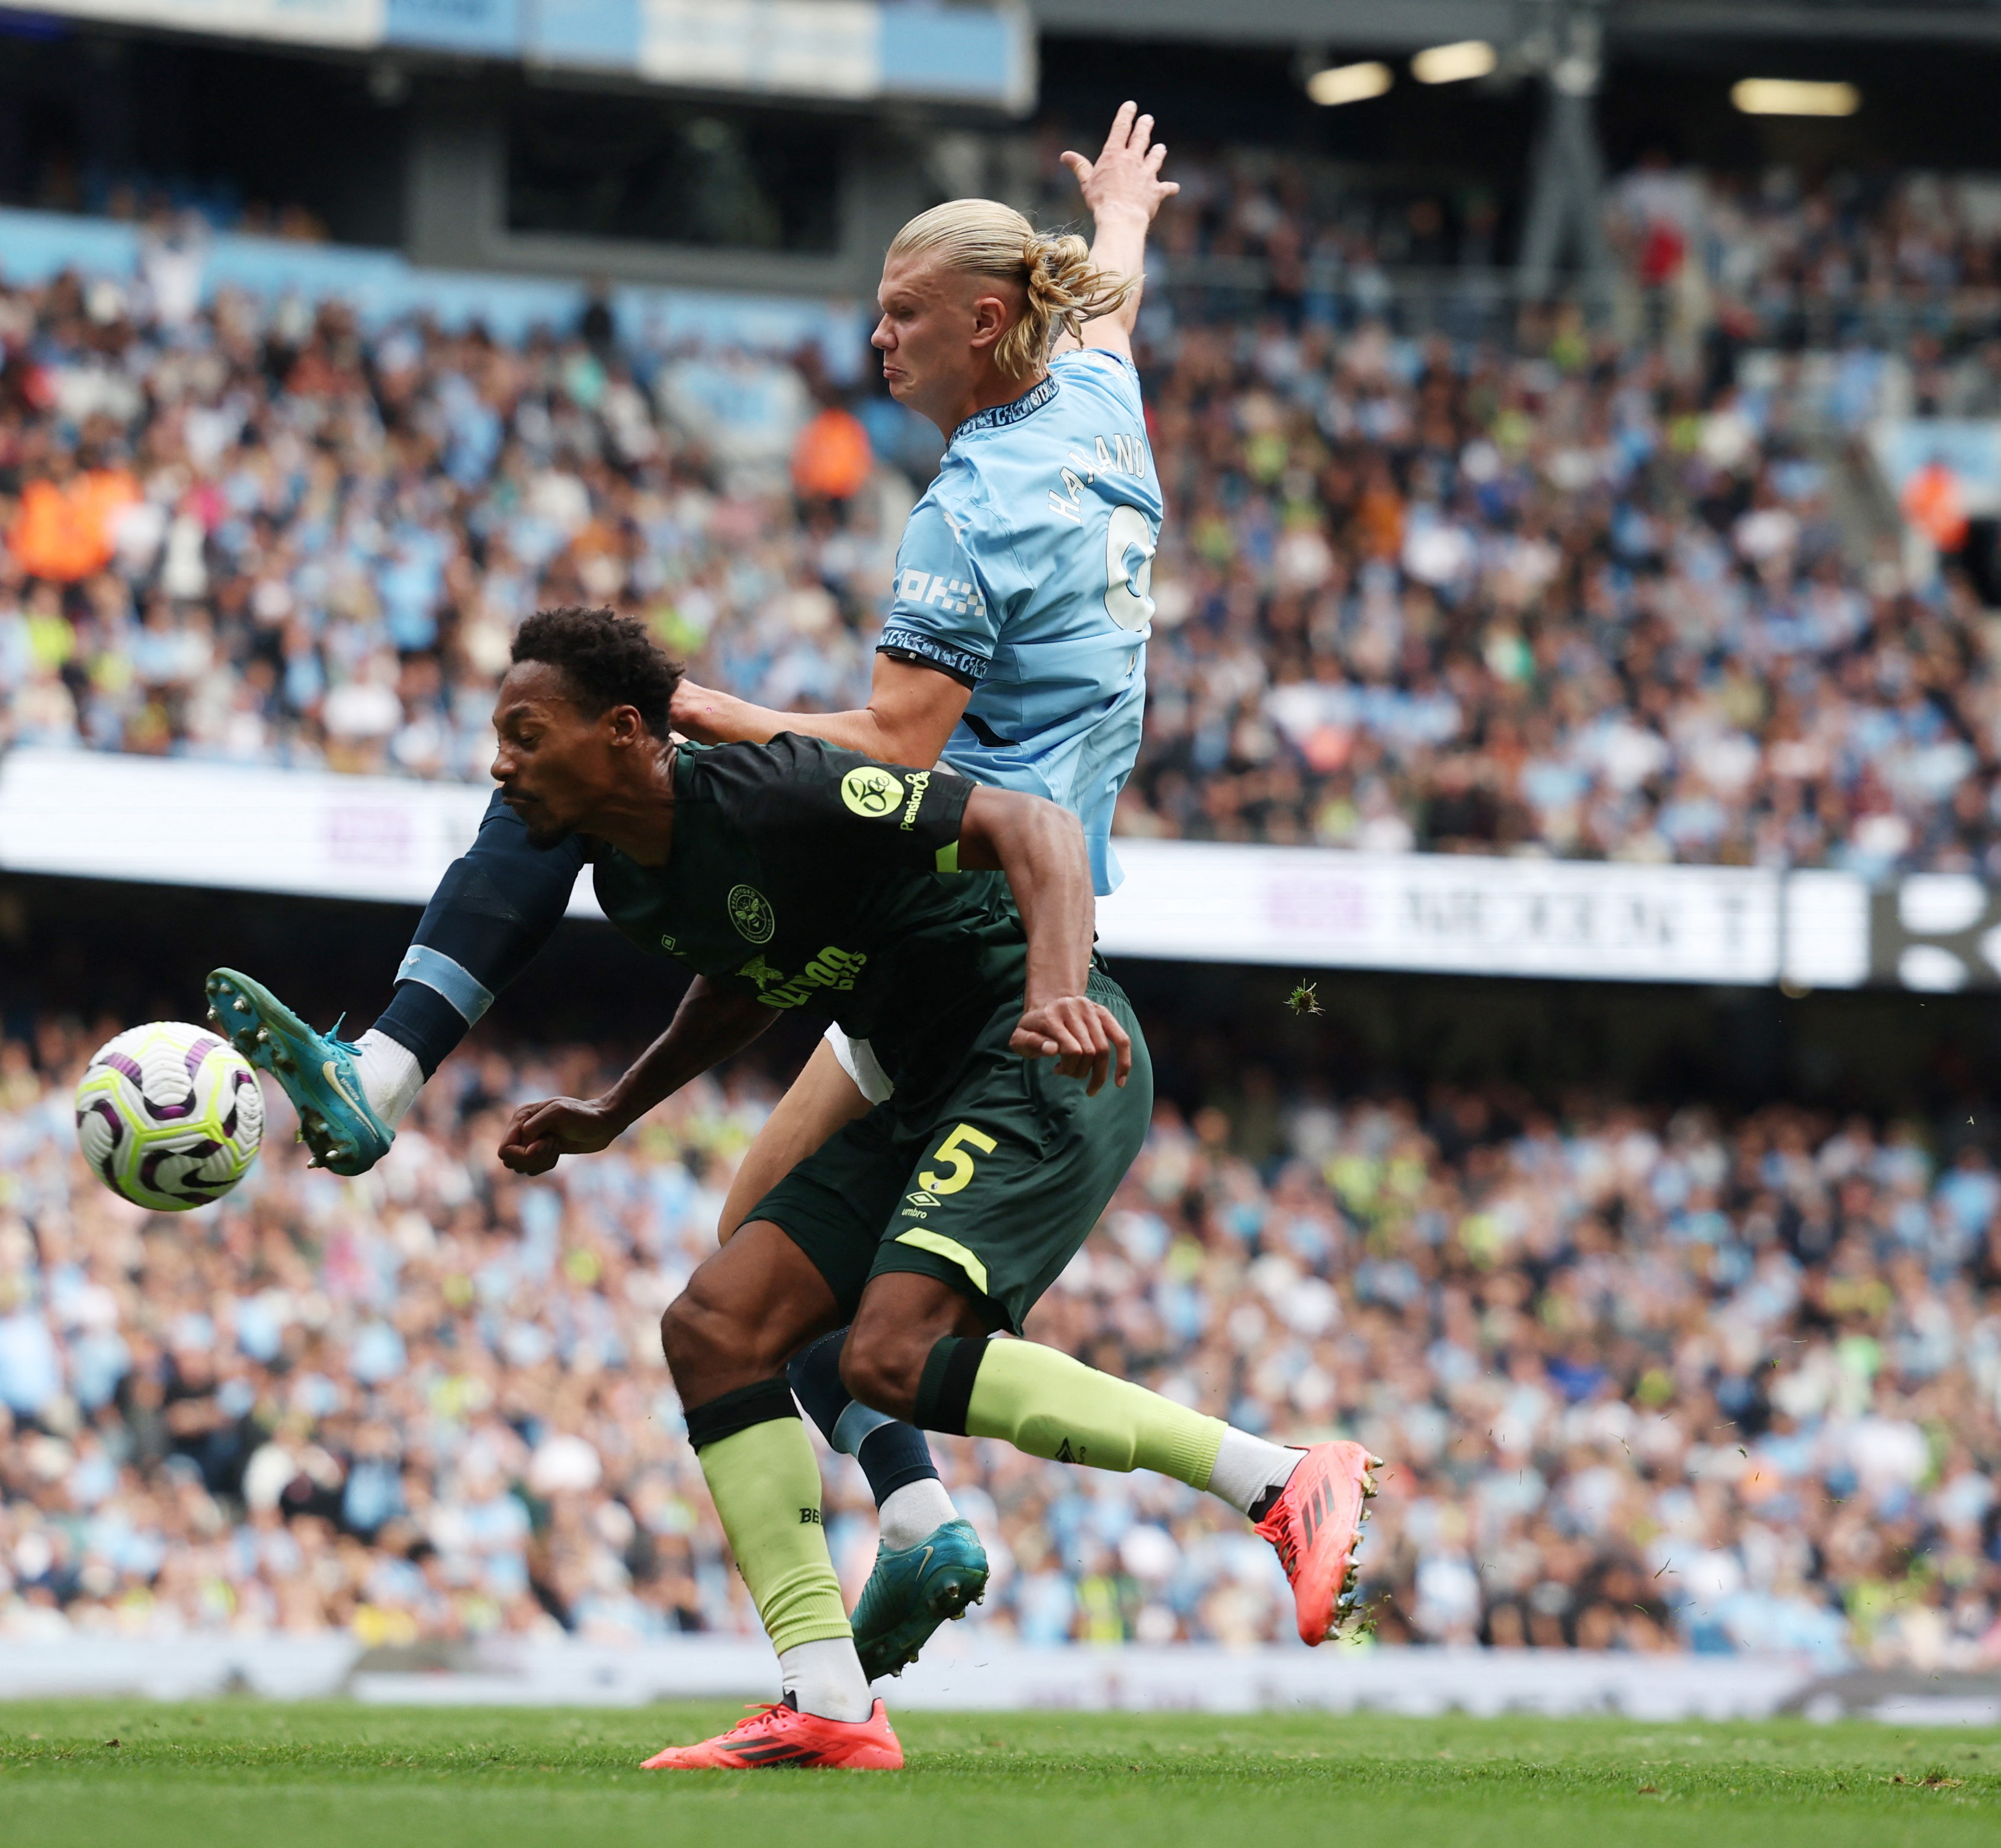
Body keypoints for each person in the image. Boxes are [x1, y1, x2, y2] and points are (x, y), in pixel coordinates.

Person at [211, 104, 1179, 1682]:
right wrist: (1123, 220)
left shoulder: (973, 504)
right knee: (748, 1254)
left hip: (959, 880)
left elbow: (900, 739)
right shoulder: (1092, 395)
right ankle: (919, 1517)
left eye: (902, 315)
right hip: (998, 895)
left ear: (985, 322)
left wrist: (716, 715)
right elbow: (1106, 300)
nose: (875, 340)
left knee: (576, 771)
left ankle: (383, 1070)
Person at [446, 607, 1373, 1770]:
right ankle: (827, 1700)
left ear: (622, 730)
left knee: (887, 1353)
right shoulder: (639, 886)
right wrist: (615, 1111)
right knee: (717, 1328)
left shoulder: (773, 787)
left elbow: (1031, 825)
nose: (501, 763)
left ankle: (1282, 1480)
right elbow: (749, 980)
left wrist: (1049, 993)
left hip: (1033, 1045)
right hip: (919, 1081)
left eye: (525, 734)